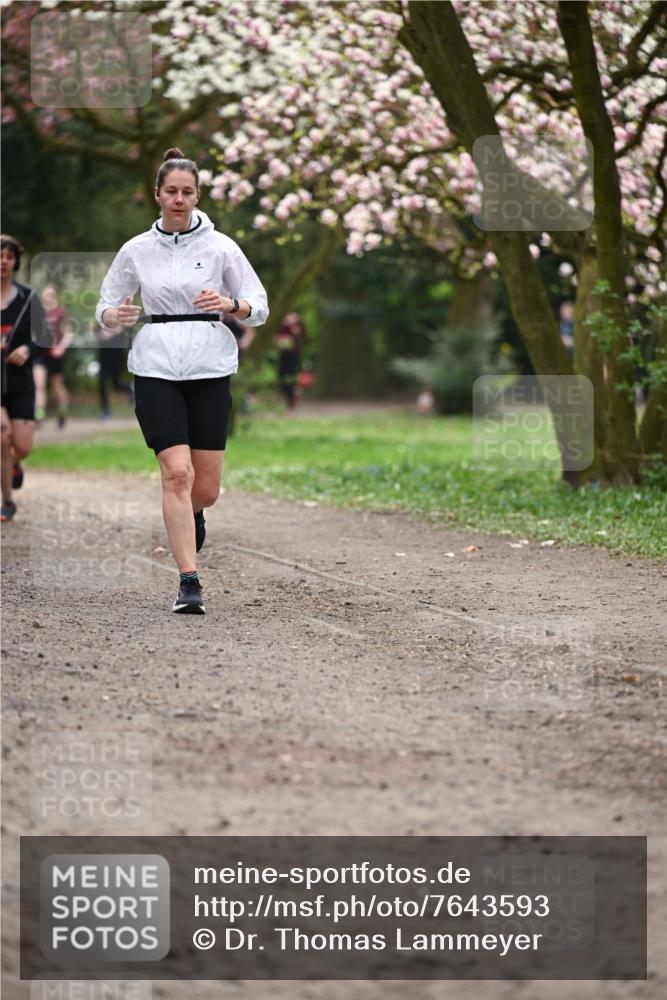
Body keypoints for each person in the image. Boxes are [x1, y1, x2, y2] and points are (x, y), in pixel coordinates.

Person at [95, 147, 269, 614]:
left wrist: (232, 306)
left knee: (204, 487)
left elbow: (260, 303)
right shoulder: (136, 250)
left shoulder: (221, 247)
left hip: (210, 366)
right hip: (155, 366)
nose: (179, 199)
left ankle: (194, 514)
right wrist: (115, 314)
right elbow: (105, 305)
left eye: (187, 192)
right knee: (176, 473)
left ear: (197, 195)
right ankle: (188, 581)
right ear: (157, 194)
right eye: (171, 191)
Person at [1, 235, 48, 522]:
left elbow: (45, 337)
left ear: (15, 261)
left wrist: (26, 349)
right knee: (2, 437)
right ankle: (8, 500)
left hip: (20, 381)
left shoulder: (29, 297)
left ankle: (15, 465)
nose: (3, 261)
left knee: (23, 446)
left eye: (8, 256)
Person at [33, 283, 74, 427]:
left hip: (56, 354)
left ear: (55, 296)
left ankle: (62, 412)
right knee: (39, 384)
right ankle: (39, 415)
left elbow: (69, 334)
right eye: (45, 294)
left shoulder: (61, 313)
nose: (47, 297)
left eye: (50, 294)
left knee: (57, 386)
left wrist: (61, 347)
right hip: (40, 353)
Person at [97, 322, 134, 420]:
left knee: (116, 383)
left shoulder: (121, 319)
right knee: (102, 381)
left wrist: (109, 332)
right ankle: (105, 410)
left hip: (116, 355)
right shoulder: (103, 317)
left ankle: (130, 389)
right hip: (104, 355)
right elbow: (99, 333)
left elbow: (121, 329)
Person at [273, 312, 306, 410]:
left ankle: (292, 403)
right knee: (283, 378)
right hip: (284, 356)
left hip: (293, 357)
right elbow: (276, 338)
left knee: (291, 379)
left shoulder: (298, 328)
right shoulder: (283, 328)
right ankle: (289, 401)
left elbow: (302, 337)